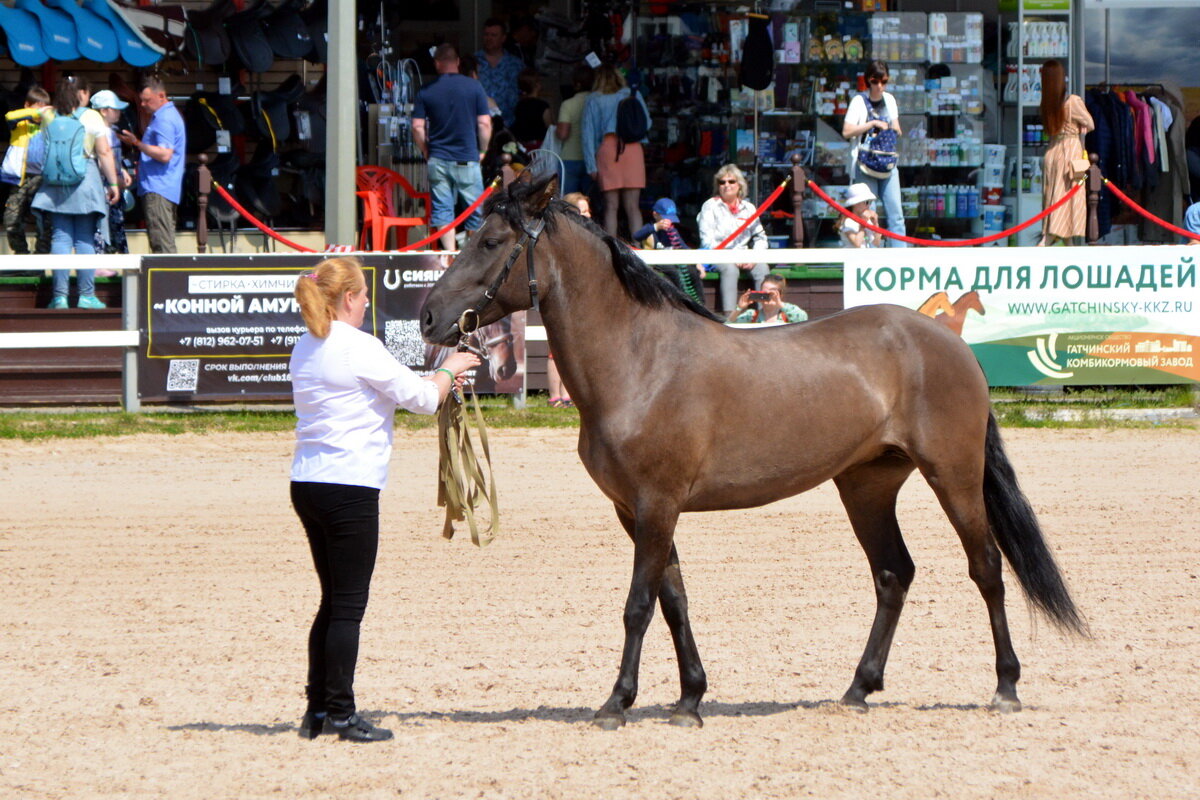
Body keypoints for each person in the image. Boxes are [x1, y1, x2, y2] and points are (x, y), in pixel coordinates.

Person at [290, 256, 480, 743]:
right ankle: (340, 712)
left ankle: (317, 708)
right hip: (349, 486)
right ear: (348, 297)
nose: (368, 301)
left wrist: (436, 377)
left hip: (309, 481)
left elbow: (402, 391)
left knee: (332, 602)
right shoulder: (358, 346)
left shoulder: (306, 344)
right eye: (363, 295)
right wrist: (451, 368)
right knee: (348, 606)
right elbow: (420, 399)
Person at [32, 76, 121, 309]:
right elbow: (103, 152)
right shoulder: (91, 116)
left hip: (55, 182)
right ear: (81, 93)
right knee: (84, 238)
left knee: (60, 238)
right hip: (85, 179)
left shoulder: (48, 116)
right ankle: (86, 295)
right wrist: (113, 184)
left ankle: (59, 297)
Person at [413, 43, 492, 251]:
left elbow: (417, 127)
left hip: (437, 158)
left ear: (437, 63)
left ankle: (448, 255)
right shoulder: (474, 87)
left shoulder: (426, 90)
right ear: (457, 62)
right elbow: (484, 123)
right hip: (467, 157)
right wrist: (482, 150)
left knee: (442, 209)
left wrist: (425, 149)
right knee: (475, 209)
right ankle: (471, 254)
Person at [841, 60, 907, 248]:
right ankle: (870, 254)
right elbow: (846, 131)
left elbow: (898, 128)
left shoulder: (890, 100)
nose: (879, 86)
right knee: (868, 213)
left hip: (887, 162)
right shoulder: (859, 101)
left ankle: (900, 259)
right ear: (868, 81)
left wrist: (891, 129)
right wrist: (871, 124)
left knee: (896, 213)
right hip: (865, 163)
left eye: (884, 82)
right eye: (875, 81)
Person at [117, 76, 185, 254]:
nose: (143, 105)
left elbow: (164, 154)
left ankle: (169, 281)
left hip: (158, 188)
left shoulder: (164, 119)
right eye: (141, 101)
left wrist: (138, 144)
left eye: (147, 100)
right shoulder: (167, 116)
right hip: (164, 186)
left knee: (161, 244)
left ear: (161, 96)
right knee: (163, 241)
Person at [581, 64, 650, 238]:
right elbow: (647, 123)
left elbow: (588, 133)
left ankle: (611, 249)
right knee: (633, 206)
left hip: (608, 150)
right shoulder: (632, 94)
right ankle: (639, 249)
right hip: (633, 149)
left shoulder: (594, 98)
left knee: (611, 206)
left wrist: (591, 165)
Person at [697, 164, 768, 313]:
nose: (726, 185)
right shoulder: (710, 206)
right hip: (719, 254)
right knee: (730, 270)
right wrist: (732, 256)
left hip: (744, 254)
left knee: (762, 268)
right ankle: (730, 318)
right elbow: (707, 241)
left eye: (731, 181)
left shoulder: (749, 208)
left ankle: (764, 314)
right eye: (722, 182)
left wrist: (754, 256)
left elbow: (760, 237)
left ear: (739, 185)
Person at [1037, 59, 1094, 246]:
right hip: (1070, 153)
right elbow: (1090, 124)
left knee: (1054, 198)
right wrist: (1080, 128)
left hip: (1052, 153)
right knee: (1067, 200)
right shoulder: (1073, 101)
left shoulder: (1046, 104)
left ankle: (1067, 245)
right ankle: (1045, 243)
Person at [2, 86, 52, 257]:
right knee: (12, 218)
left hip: (43, 179)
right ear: (27, 105)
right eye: (37, 107)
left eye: (44, 108)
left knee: (45, 220)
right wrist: (34, 113)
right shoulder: (20, 123)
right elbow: (9, 116)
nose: (41, 113)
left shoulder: (49, 124)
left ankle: (41, 256)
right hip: (20, 179)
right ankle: (21, 254)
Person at [633, 197, 706, 304]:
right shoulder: (650, 229)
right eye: (665, 218)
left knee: (692, 271)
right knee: (674, 273)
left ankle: (700, 303)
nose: (668, 222)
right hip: (657, 262)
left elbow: (683, 247)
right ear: (655, 215)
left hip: (673, 260)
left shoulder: (673, 231)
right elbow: (636, 236)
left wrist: (697, 262)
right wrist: (655, 227)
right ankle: (681, 301)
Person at [90, 90, 134, 256]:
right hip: (105, 186)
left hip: (115, 183)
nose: (119, 112)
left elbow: (113, 157)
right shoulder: (99, 132)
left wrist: (122, 170)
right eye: (115, 109)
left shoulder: (113, 131)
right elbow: (101, 159)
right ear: (103, 111)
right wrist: (114, 179)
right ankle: (101, 262)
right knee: (102, 224)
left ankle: (118, 258)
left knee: (117, 223)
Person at [475, 18, 523, 128]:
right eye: (486, 35)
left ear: (503, 38)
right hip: (479, 124)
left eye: (493, 35)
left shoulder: (515, 64)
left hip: (510, 124)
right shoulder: (473, 61)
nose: (489, 38)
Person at [554, 64, 593, 196]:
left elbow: (563, 134)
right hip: (593, 158)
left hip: (570, 157)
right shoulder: (597, 102)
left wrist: (555, 130)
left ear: (576, 84)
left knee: (567, 201)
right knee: (591, 200)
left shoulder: (568, 104)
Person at [727, 273, 808, 325]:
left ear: (780, 294)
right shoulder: (752, 315)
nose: (767, 296)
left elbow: (803, 319)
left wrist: (780, 304)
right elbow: (728, 325)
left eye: (771, 294)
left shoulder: (787, 314)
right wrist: (739, 308)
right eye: (764, 293)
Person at [511, 68, 552, 151]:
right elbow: (550, 128)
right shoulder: (542, 106)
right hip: (540, 148)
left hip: (523, 148)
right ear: (537, 85)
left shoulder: (519, 105)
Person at [837, 183, 881, 248]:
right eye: (866, 202)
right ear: (855, 203)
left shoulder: (867, 221)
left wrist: (876, 224)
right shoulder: (848, 222)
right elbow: (857, 244)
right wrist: (862, 226)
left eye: (870, 202)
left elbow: (876, 243)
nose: (868, 205)